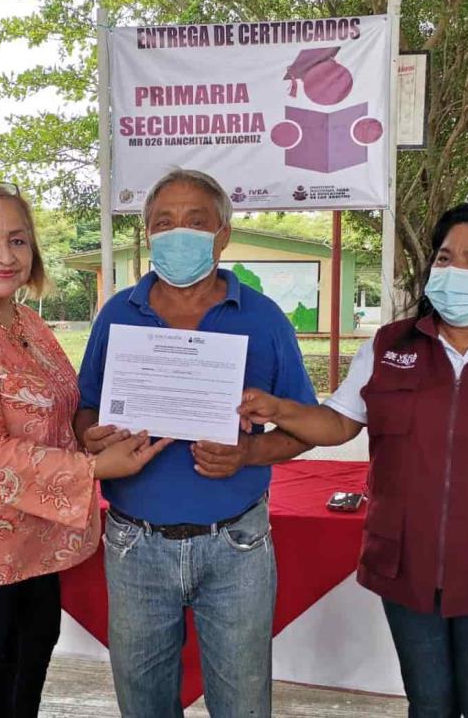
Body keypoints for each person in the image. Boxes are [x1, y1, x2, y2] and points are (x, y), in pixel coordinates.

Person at [239, 202, 468, 717]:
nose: (455, 271)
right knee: (428, 706)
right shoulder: (390, 347)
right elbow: (339, 423)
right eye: (445, 257)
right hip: (409, 569)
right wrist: (281, 409)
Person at [0, 181, 171, 718]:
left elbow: (49, 413)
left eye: (18, 241)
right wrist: (91, 468)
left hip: (31, 536)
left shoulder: (25, 321)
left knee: (24, 680)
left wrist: (86, 436)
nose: (5, 255)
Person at [74, 169, 317, 717]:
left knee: (243, 704)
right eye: (164, 223)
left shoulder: (263, 317)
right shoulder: (117, 314)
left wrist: (248, 453)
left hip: (236, 543)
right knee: (144, 704)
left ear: (223, 234)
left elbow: (306, 425)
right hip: (135, 544)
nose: (178, 233)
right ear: (147, 235)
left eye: (195, 222)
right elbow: (86, 407)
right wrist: (90, 435)